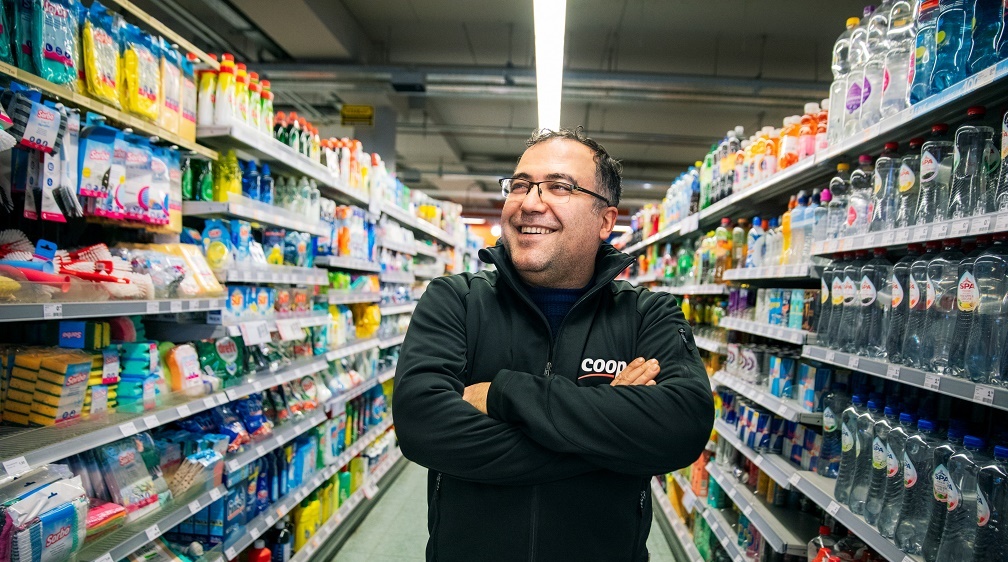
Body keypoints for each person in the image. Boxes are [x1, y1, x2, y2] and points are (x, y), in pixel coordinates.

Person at [392, 127, 715, 562]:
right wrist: (608, 436)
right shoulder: (456, 300)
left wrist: (503, 394)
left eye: (559, 187)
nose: (529, 202)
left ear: (605, 220)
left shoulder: (647, 315)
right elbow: (421, 425)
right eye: (521, 185)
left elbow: (682, 427)